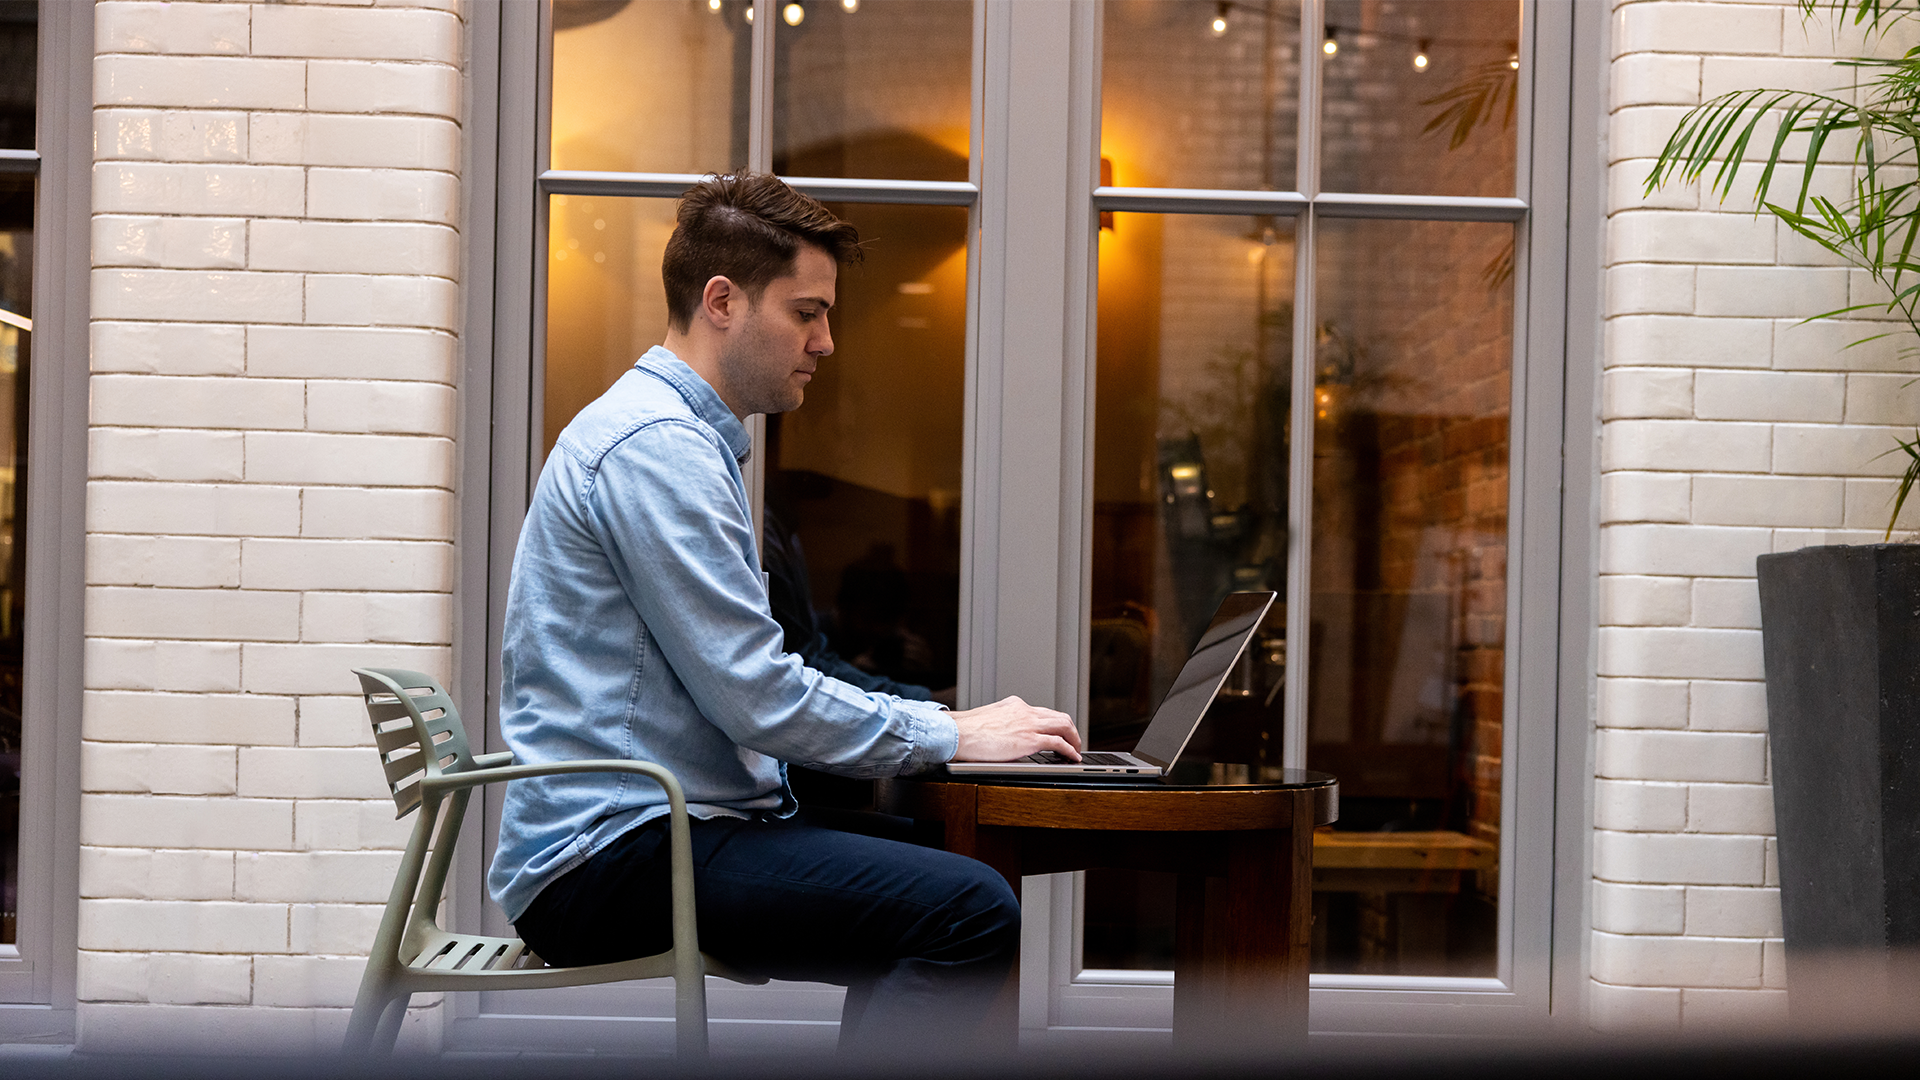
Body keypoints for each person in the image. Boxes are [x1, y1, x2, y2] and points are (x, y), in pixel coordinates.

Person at [488, 172, 1082, 1053]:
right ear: (722, 301)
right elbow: (756, 697)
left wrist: (941, 723)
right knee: (965, 909)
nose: (828, 341)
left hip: (660, 827)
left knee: (946, 870)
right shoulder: (657, 449)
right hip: (614, 855)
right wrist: (949, 734)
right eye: (807, 312)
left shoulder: (674, 437)